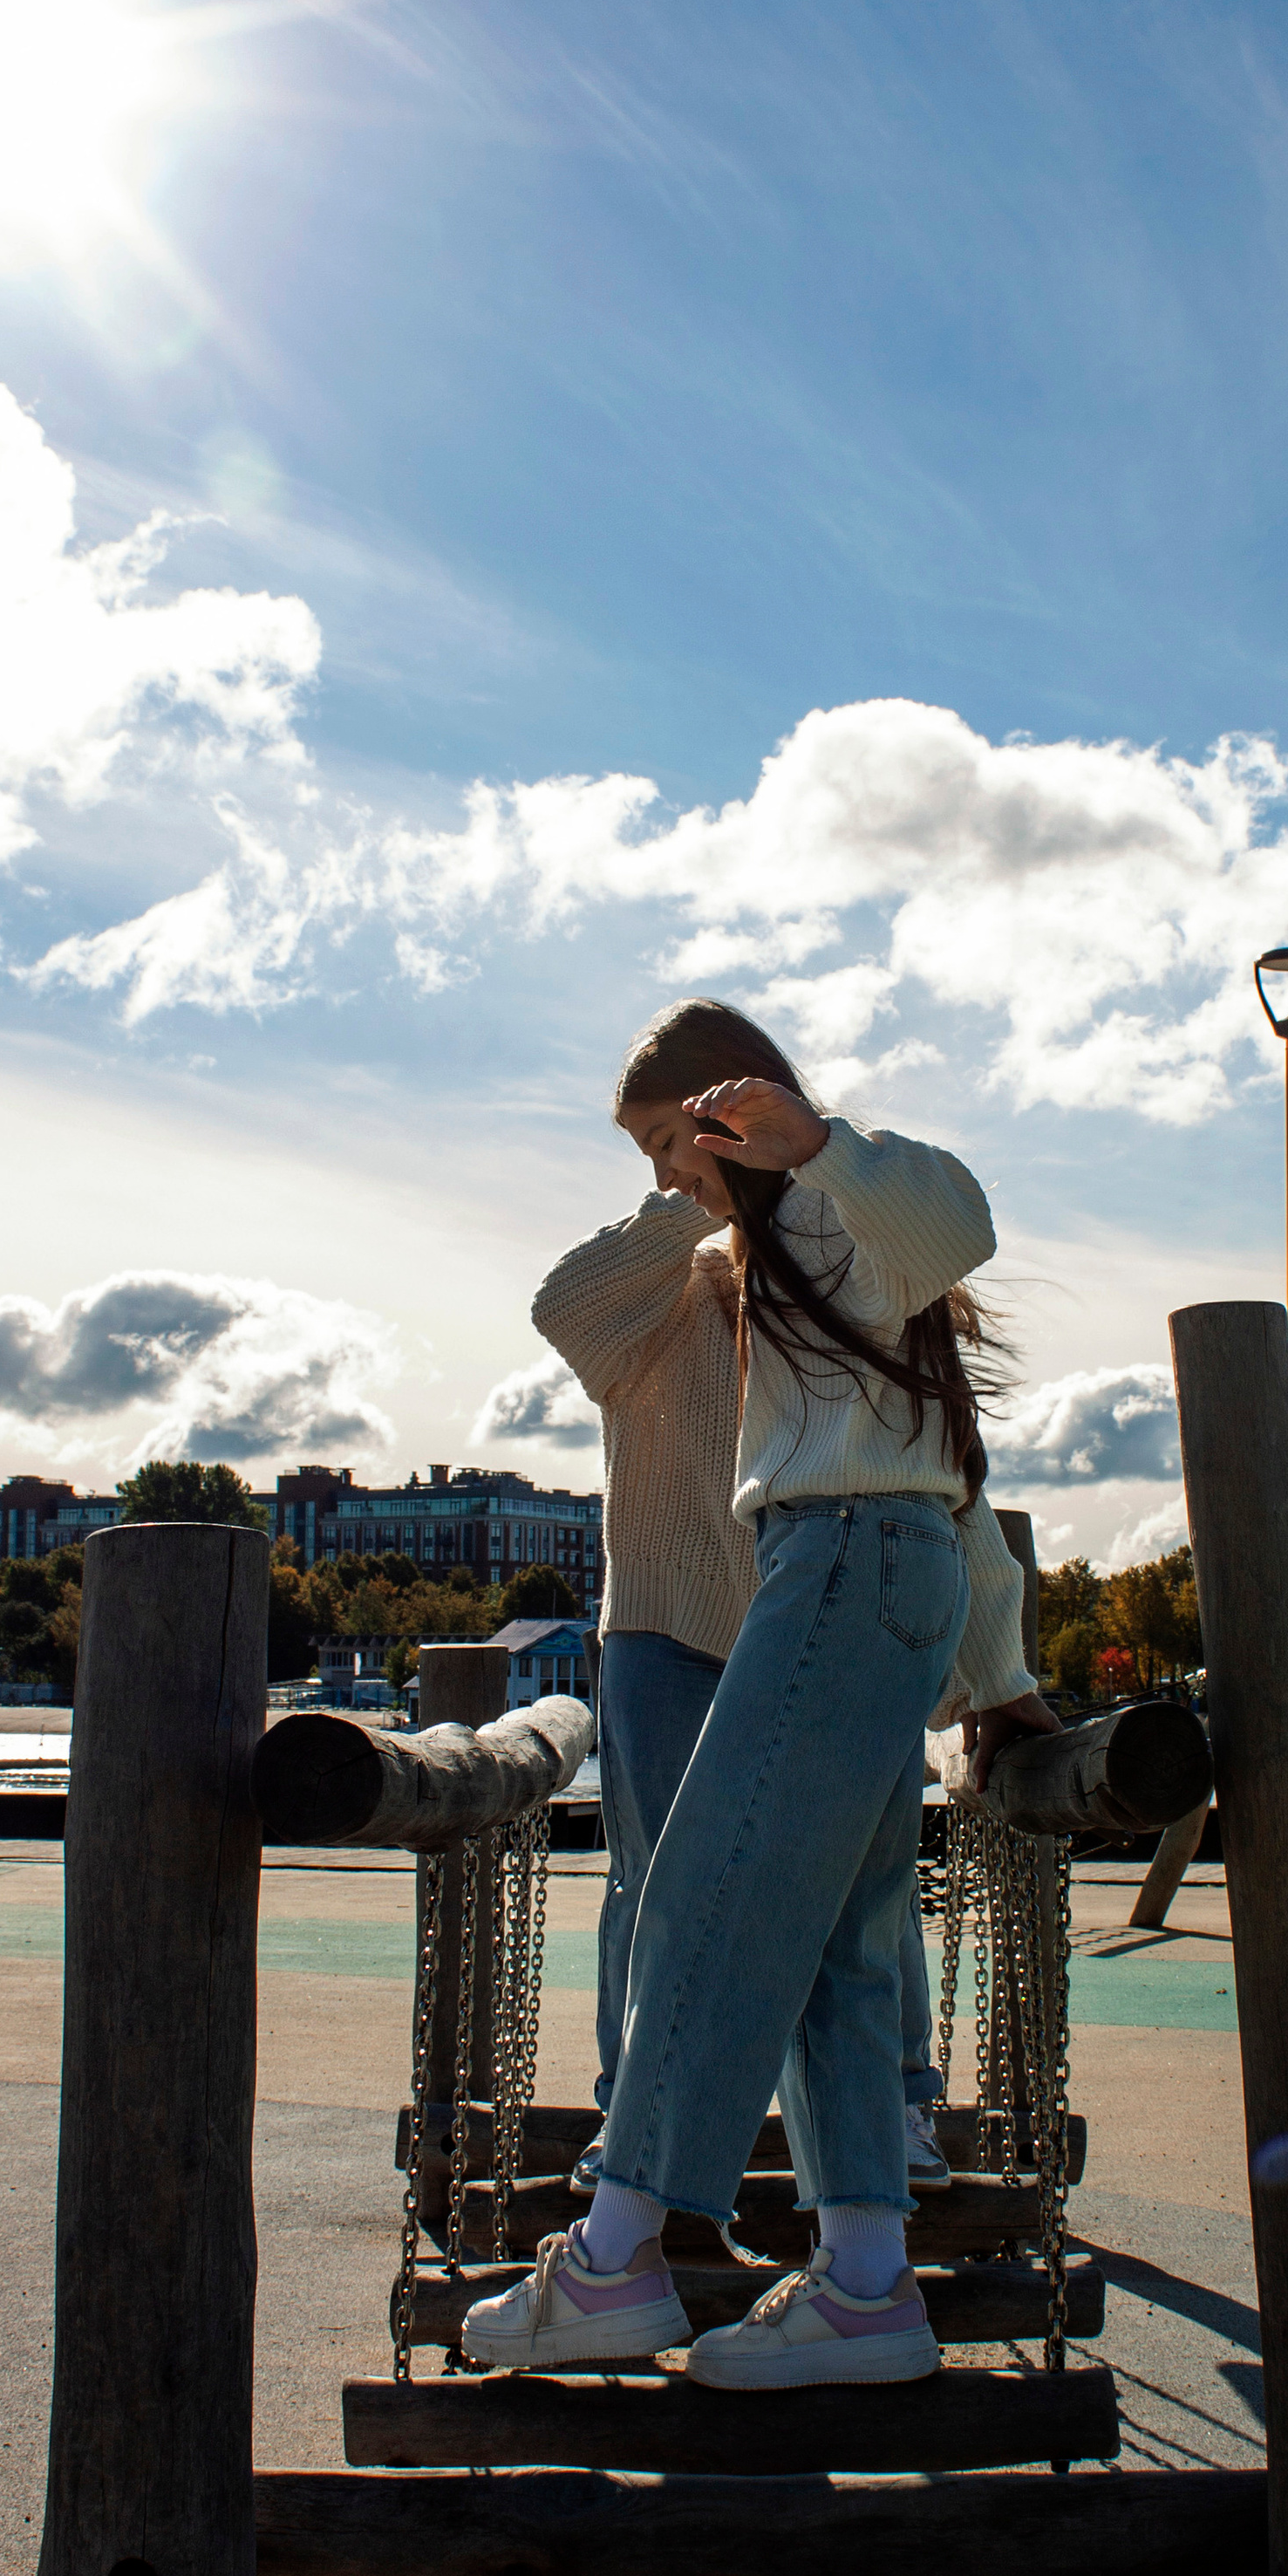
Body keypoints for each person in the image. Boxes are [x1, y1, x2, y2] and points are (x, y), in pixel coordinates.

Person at [464, 999, 1054, 2390]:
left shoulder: (829, 1222)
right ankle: (865, 2285)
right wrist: (994, 1674)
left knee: (704, 1899)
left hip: (841, 1568)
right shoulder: (764, 1257)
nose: (667, 1172)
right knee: (839, 1946)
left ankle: (613, 2262)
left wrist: (817, 1143)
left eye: (679, 1142)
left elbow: (961, 1216)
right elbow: (952, 1492)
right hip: (861, 1570)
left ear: (741, 1112)